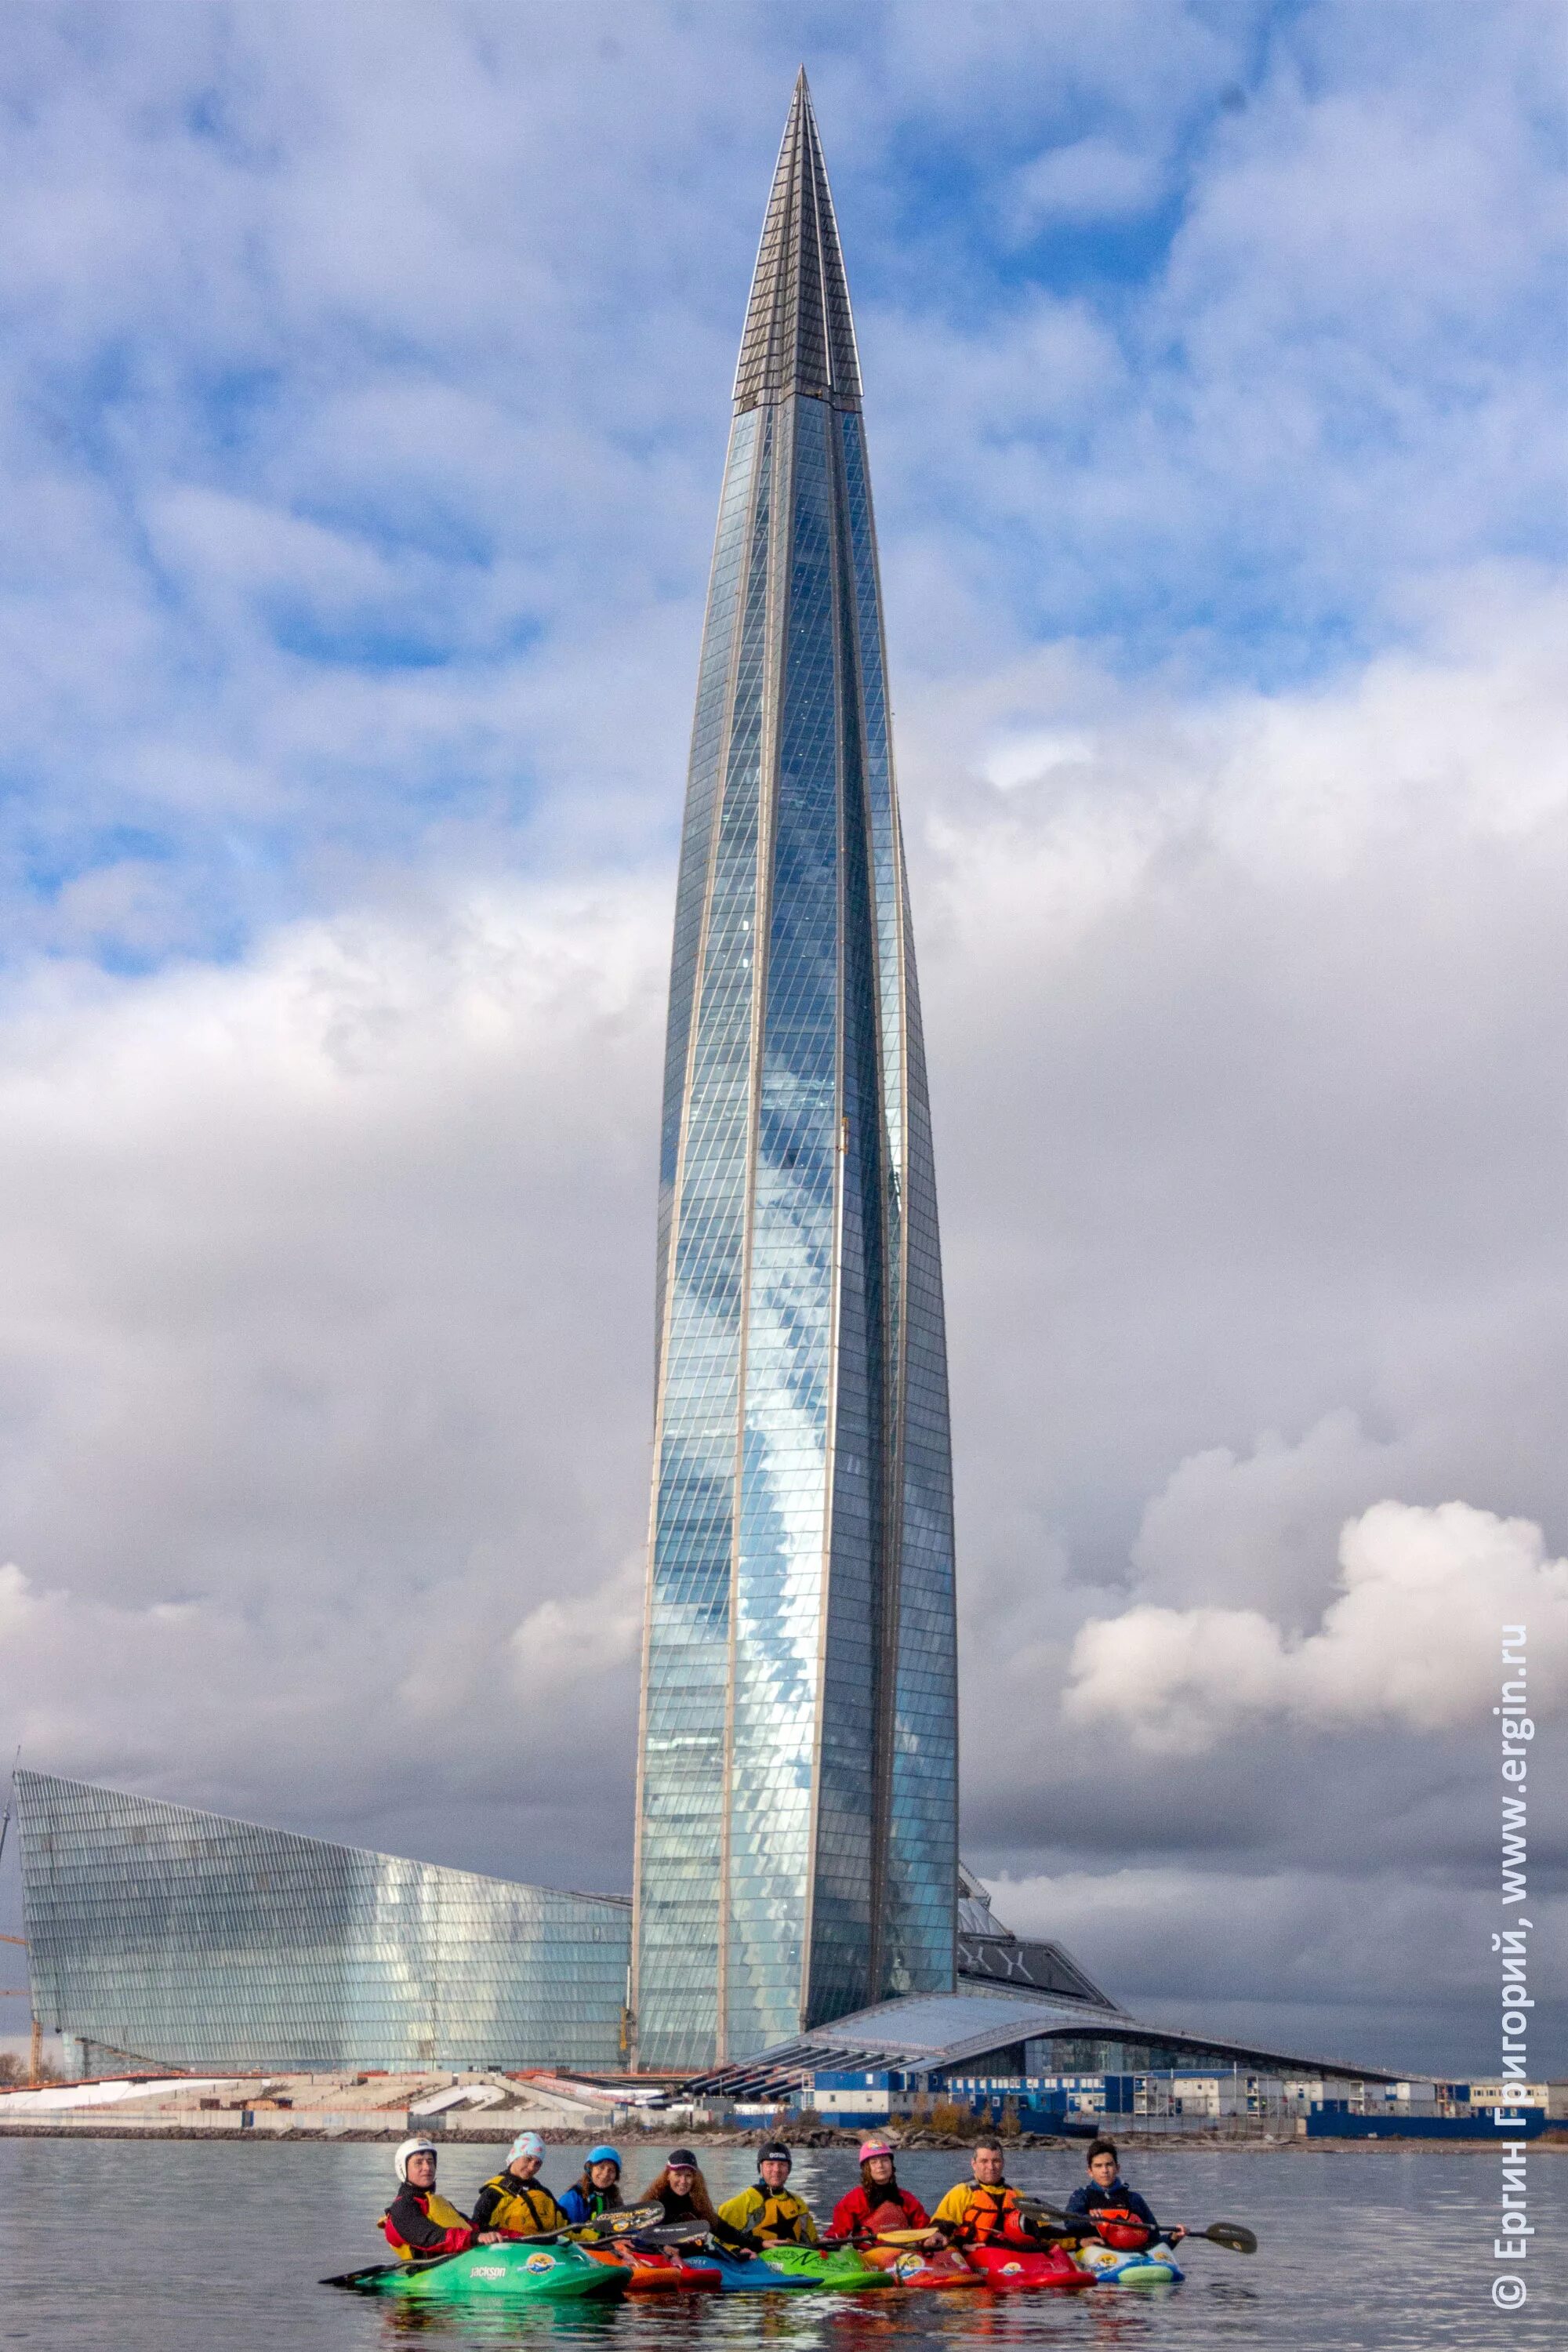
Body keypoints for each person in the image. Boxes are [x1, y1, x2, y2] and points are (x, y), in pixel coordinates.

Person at [1065, 2137, 1185, 2248]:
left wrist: (1173, 2238)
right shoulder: (1081, 2196)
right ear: (1090, 2171)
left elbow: (1154, 2239)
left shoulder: (1134, 2199)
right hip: (1098, 2252)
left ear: (1117, 2168)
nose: (1105, 2170)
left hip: (1131, 2254)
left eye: (1109, 2165)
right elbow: (1070, 2223)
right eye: (1098, 2166)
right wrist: (1089, 2220)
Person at [641, 2149, 757, 2252]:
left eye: (688, 2176)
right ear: (667, 2175)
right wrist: (661, 2248)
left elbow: (721, 2229)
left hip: (691, 2257)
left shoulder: (697, 2202)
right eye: (678, 2175)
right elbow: (642, 2234)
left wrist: (757, 2243)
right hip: (661, 2256)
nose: (683, 2181)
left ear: (695, 2178)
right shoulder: (655, 2202)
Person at [380, 2136, 476, 2262]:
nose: (427, 2167)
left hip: (456, 2265)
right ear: (403, 2169)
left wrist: (502, 2236)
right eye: (419, 2163)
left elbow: (475, 2227)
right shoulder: (402, 2208)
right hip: (424, 2273)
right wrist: (474, 2238)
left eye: (430, 2161)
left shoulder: (440, 2203)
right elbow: (429, 2237)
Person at [931, 2137, 1036, 2248]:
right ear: (974, 2164)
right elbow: (942, 2223)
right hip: (972, 2254)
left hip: (1010, 2256)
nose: (991, 2167)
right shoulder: (962, 2191)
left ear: (1003, 2163)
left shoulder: (1017, 2195)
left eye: (996, 2161)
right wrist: (939, 2235)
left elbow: (1041, 2228)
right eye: (984, 2161)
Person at [470, 2132, 571, 2240]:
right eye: (528, 2159)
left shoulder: (543, 2193)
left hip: (539, 2251)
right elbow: (476, 2229)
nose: (532, 2167)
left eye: (538, 2163)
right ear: (515, 2156)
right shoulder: (493, 2193)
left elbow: (567, 2227)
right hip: (505, 2251)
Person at [831, 2140, 935, 2242]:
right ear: (866, 2169)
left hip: (902, 2253)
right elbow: (838, 2230)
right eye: (874, 2162)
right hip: (866, 2254)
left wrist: (930, 2238)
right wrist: (830, 2239)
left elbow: (923, 2228)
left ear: (891, 2164)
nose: (880, 2166)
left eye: (885, 2160)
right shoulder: (854, 2198)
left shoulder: (905, 2197)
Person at [717, 2141, 818, 2245]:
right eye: (770, 2164)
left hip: (791, 2258)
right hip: (756, 2257)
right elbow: (721, 2240)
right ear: (760, 2168)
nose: (776, 2170)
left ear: (789, 2169)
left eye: (782, 2164)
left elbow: (813, 2241)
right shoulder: (746, 2201)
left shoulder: (798, 2203)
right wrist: (738, 2251)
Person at [560, 2144, 625, 2228]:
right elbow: (563, 2231)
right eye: (601, 2167)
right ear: (590, 2169)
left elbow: (625, 2227)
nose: (605, 2174)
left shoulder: (615, 2199)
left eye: (611, 2170)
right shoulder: (573, 2198)